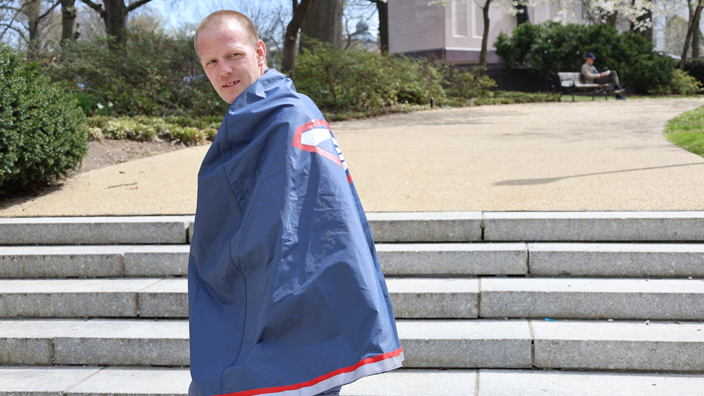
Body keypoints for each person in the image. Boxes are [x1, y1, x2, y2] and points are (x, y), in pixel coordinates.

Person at [187, 10, 403, 396]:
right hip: (270, 301)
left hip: (298, 305)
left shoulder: (289, 114)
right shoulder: (248, 120)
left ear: (260, 52)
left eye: (234, 55)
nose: (224, 70)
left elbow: (313, 218)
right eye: (212, 62)